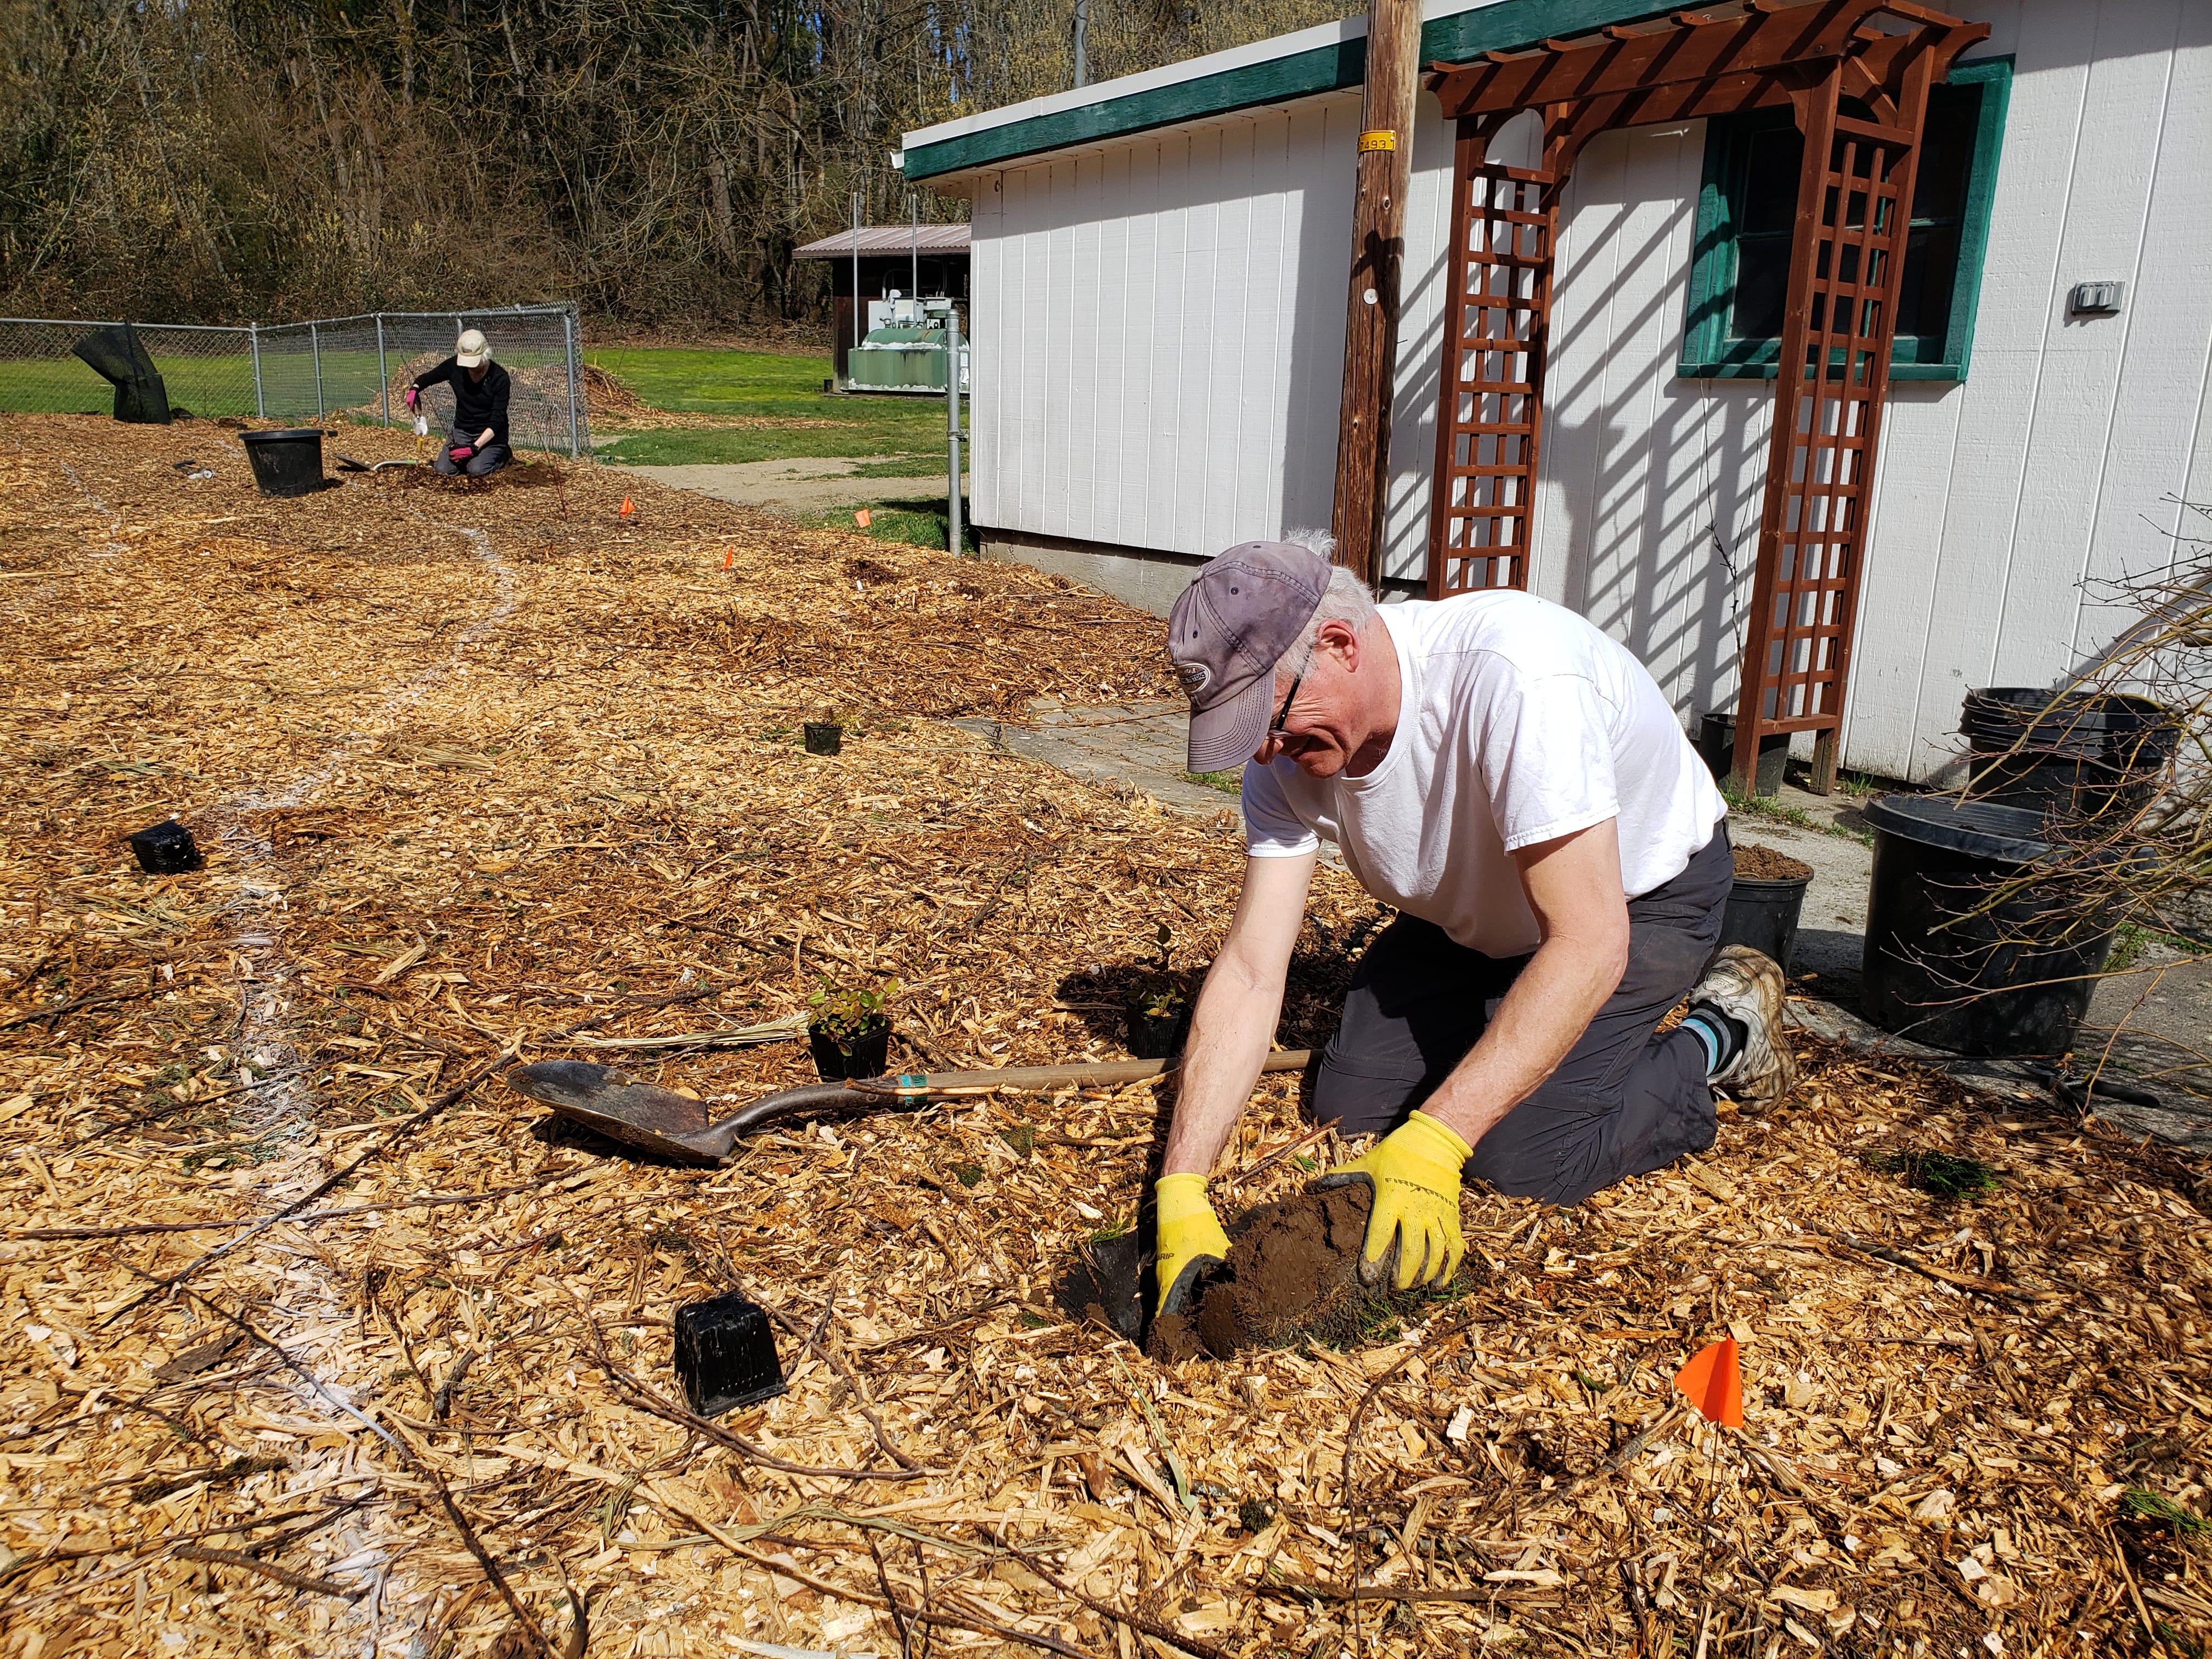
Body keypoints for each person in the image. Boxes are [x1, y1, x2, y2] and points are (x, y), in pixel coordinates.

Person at [1152, 539, 1795, 1316]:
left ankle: (1719, 1036)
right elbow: (1254, 970)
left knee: (1522, 1154)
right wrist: (1181, 1187)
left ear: (1341, 646)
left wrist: (1439, 1140)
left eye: (1270, 716)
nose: (1263, 750)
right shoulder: (1283, 762)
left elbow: (1588, 943)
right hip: (1472, 913)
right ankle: (1510, 1020)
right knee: (1348, 1108)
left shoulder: (1515, 677)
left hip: (1633, 898)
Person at [408, 329, 511, 477]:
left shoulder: (500, 378)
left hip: (491, 437)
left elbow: (498, 421)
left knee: (477, 471)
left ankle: (503, 456)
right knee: (443, 470)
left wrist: (474, 448)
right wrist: (415, 389)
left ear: (485, 356)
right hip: (463, 431)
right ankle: (474, 459)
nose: (470, 368)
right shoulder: (455, 367)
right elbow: (429, 378)